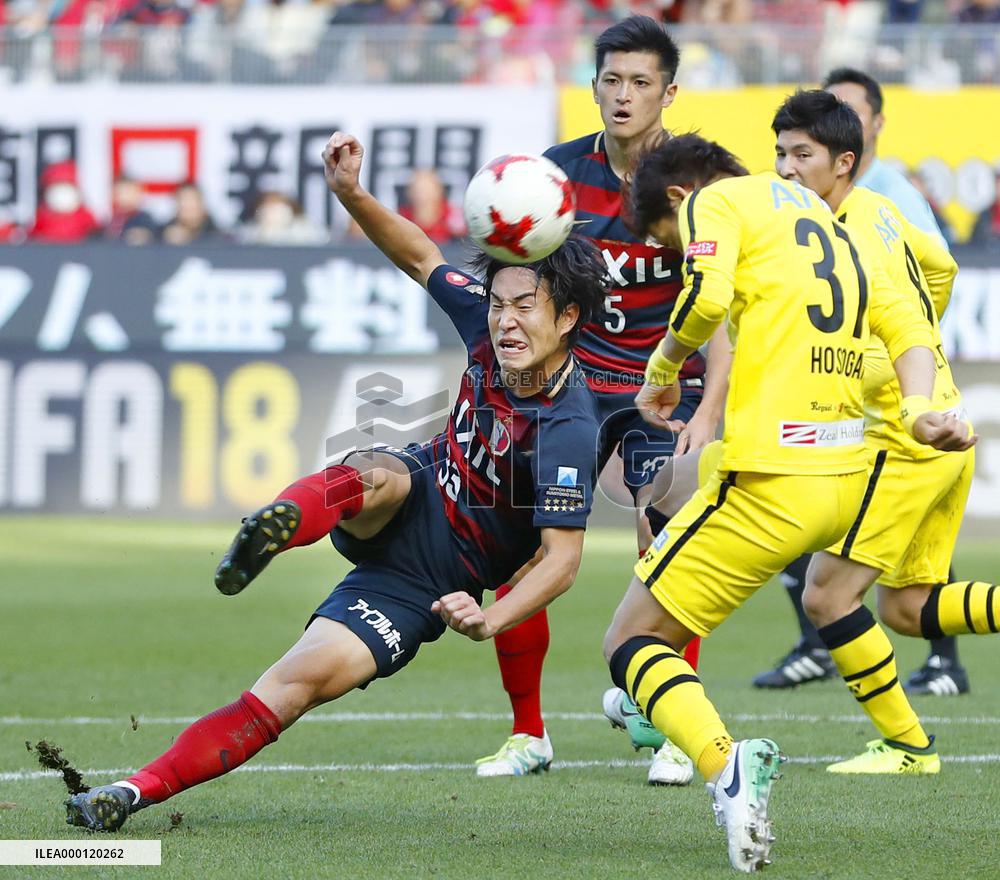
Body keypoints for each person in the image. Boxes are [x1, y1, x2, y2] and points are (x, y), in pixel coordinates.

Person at [63, 130, 609, 832]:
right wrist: (351, 192)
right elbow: (419, 255)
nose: (503, 319)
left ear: (566, 318)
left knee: (294, 686)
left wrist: (494, 616)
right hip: (419, 490)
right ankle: (271, 531)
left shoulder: (568, 424)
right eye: (497, 302)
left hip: (427, 583)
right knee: (375, 470)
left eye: (522, 306)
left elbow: (562, 558)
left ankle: (131, 793)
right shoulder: (482, 319)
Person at [603, 133, 969, 872]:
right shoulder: (834, 213)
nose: (681, 250)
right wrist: (922, 407)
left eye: (670, 242)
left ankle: (722, 763)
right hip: (841, 479)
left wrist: (664, 368)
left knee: (627, 643)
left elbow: (704, 297)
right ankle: (651, 712)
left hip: (769, 479)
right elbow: (908, 316)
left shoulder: (714, 201)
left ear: (679, 199)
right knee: (674, 634)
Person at [477, 13, 731, 787]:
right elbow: (518, 290)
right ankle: (529, 734)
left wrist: (709, 412)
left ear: (670, 91)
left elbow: (724, 306)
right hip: (573, 387)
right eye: (611, 81)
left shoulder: (700, 184)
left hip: (666, 388)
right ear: (592, 87)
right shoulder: (551, 180)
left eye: (640, 83)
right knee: (516, 549)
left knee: (672, 550)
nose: (624, 96)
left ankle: (671, 734)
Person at [771, 90, 987, 771]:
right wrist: (917, 350)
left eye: (801, 156)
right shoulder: (884, 211)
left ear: (844, 161)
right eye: (779, 153)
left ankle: (908, 745)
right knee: (908, 607)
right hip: (942, 422)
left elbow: (864, 340)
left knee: (827, 594)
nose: (784, 169)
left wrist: (878, 368)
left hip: (906, 438)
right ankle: (908, 742)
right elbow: (942, 266)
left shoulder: (841, 235)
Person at [104, 176, 157, 246]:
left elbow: (146, 235)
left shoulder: (143, 218)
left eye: (128, 192)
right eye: (120, 193)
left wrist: (139, 235)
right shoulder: (112, 218)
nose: (124, 197)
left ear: (138, 194)